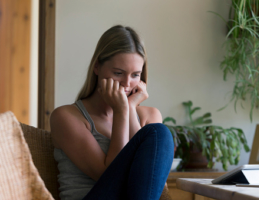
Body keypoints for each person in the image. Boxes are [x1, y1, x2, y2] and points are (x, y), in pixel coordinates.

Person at [50, 25, 174, 200]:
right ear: (97, 67)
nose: (127, 83)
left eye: (135, 75)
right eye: (118, 73)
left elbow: (146, 177)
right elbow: (110, 175)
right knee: (156, 132)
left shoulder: (150, 116)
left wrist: (130, 109)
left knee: (157, 132)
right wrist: (122, 110)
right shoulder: (66, 117)